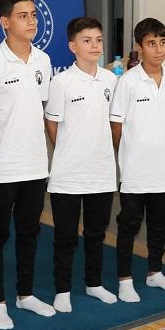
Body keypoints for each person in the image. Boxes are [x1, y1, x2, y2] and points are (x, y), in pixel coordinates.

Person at [0, 0, 57, 327]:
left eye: (34, 15)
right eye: (22, 16)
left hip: (35, 165)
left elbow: (40, 109)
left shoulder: (43, 60)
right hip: (1, 168)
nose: (31, 21)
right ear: (4, 22)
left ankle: (25, 294)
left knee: (30, 233)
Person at [45, 16, 119, 312]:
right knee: (65, 237)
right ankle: (62, 289)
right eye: (87, 41)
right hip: (68, 174)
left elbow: (114, 123)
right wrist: (69, 150)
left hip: (101, 172)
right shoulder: (61, 82)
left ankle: (94, 283)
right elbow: (52, 124)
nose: (95, 46)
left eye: (98, 40)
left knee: (96, 234)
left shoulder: (111, 80)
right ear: (72, 46)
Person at [111, 17, 165, 302]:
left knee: (159, 225)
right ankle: (124, 279)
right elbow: (116, 125)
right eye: (152, 44)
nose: (159, 49)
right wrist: (127, 156)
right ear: (139, 47)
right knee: (128, 225)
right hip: (135, 170)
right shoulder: (127, 81)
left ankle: (155, 272)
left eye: (162, 42)